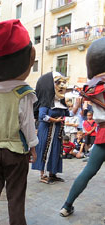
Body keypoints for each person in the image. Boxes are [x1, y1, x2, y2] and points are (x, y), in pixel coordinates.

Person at [0, 20, 38, 225]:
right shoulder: (23, 94)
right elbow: (27, 124)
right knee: (15, 199)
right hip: (15, 153)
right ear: (30, 57)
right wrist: (33, 146)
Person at [60, 37, 105, 217]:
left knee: (87, 172)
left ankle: (66, 205)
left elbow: (76, 109)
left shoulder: (91, 87)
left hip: (102, 134)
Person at [32, 72, 71, 184]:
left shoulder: (60, 102)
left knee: (55, 151)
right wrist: (55, 120)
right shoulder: (46, 102)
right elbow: (42, 116)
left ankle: (53, 173)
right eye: (59, 83)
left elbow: (68, 114)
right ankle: (42, 175)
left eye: (63, 82)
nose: (62, 85)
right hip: (46, 131)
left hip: (57, 132)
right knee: (45, 150)